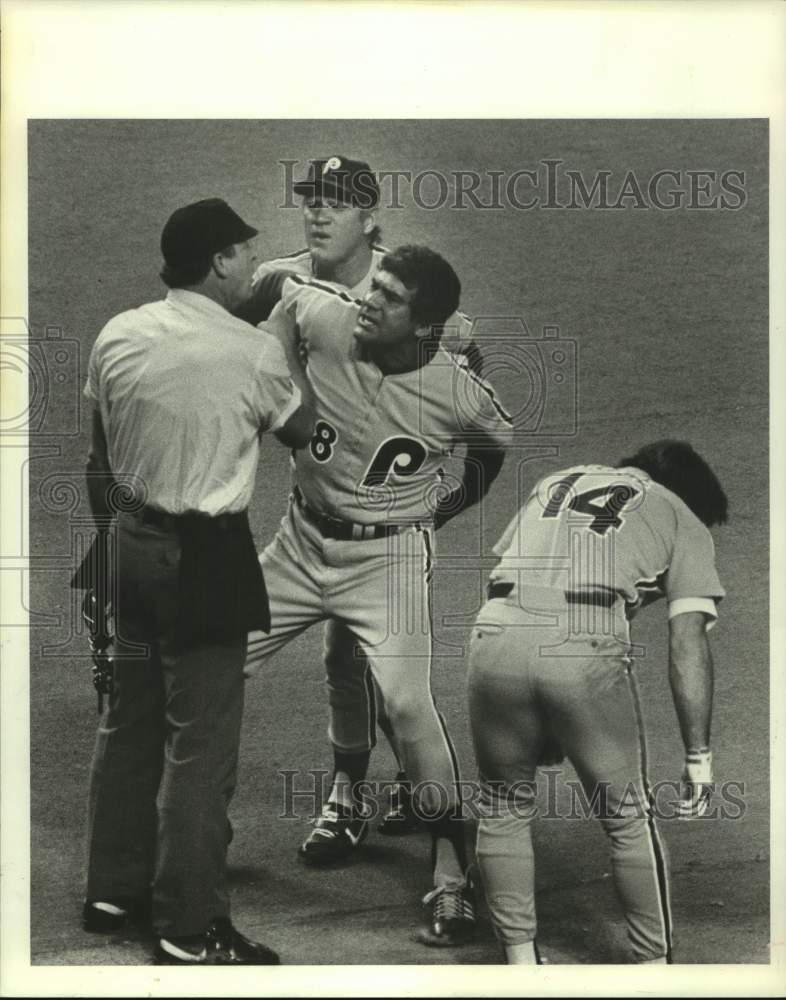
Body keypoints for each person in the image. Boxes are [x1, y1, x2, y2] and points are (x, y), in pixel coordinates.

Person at [244, 244, 513, 945]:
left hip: (390, 556)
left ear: (424, 327)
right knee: (215, 659)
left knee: (405, 701)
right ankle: (329, 801)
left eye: (389, 298)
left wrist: (443, 510)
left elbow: (491, 449)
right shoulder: (324, 311)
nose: (370, 299)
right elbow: (271, 286)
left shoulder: (459, 391)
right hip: (299, 543)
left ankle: (453, 876)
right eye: (375, 287)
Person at [76, 198, 314, 965]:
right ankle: (188, 926)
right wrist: (280, 335)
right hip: (205, 559)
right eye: (246, 254)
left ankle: (111, 893)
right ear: (218, 264)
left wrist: (117, 549)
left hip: (127, 546)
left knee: (127, 725)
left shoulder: (118, 332)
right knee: (200, 751)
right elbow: (308, 434)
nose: (254, 264)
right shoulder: (251, 352)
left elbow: (99, 462)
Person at [239, 155, 481, 846]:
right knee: (336, 661)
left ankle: (439, 843)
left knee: (388, 686)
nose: (318, 211)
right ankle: (349, 789)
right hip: (306, 531)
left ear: (370, 218)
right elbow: (228, 319)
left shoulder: (423, 311)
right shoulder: (282, 280)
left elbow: (462, 397)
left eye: (337, 202)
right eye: (311, 198)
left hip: (386, 539)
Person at [467, 441, 728, 964]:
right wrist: (698, 758)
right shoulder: (678, 513)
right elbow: (687, 642)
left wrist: (537, 711)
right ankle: (654, 969)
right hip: (583, 646)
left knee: (502, 805)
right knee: (629, 817)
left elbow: (524, 576)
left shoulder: (555, 482)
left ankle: (521, 968)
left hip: (492, 635)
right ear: (687, 494)